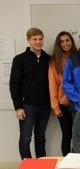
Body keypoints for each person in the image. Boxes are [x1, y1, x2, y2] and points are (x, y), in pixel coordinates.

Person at [9, 27, 51, 159]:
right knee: (25, 138)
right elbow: (14, 84)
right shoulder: (19, 59)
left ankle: (42, 168)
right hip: (27, 106)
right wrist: (18, 107)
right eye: (35, 39)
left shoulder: (48, 59)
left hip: (45, 106)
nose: (38, 42)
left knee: (41, 137)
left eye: (40, 39)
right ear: (28, 40)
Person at [48, 31, 78, 156]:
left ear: (71, 41)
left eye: (68, 40)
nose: (65, 43)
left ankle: (79, 164)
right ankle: (68, 164)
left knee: (78, 135)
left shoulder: (78, 58)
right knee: (67, 135)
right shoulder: (55, 62)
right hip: (64, 104)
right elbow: (53, 85)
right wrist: (55, 106)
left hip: (78, 103)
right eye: (62, 41)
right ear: (58, 44)